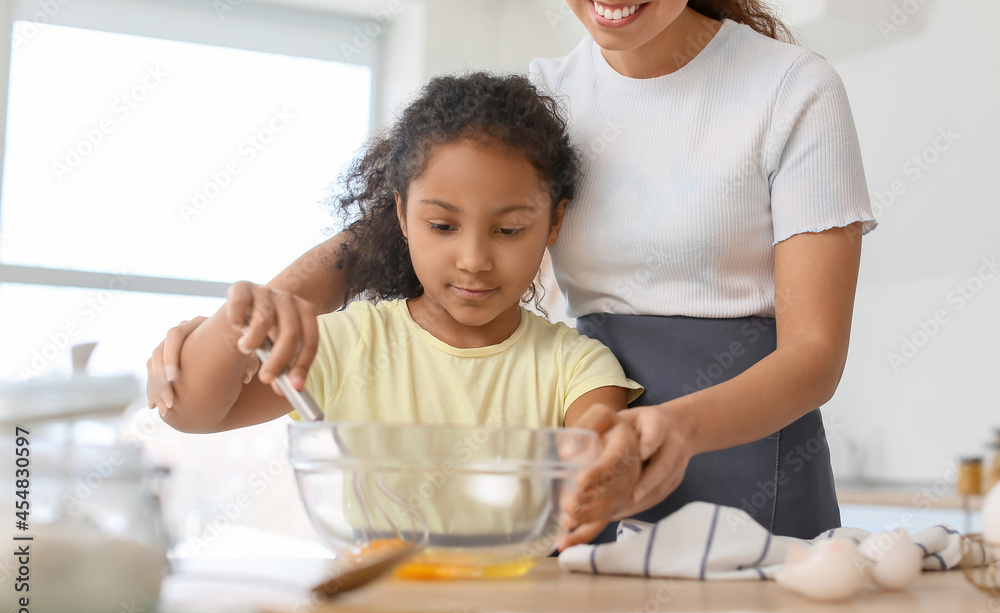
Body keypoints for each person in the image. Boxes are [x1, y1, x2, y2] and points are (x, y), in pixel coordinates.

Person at [150, 1, 876, 544]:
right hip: (586, 465)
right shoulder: (549, 97)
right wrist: (241, 318)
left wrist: (673, 429)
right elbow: (386, 234)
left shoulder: (793, 91)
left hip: (743, 457)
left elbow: (814, 355)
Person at [158, 72, 643, 548]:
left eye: (509, 229)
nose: (474, 260)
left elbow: (599, 456)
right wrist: (238, 317)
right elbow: (192, 413)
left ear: (554, 222)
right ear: (402, 216)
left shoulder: (577, 367)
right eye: (441, 225)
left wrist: (604, 460)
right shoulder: (345, 345)